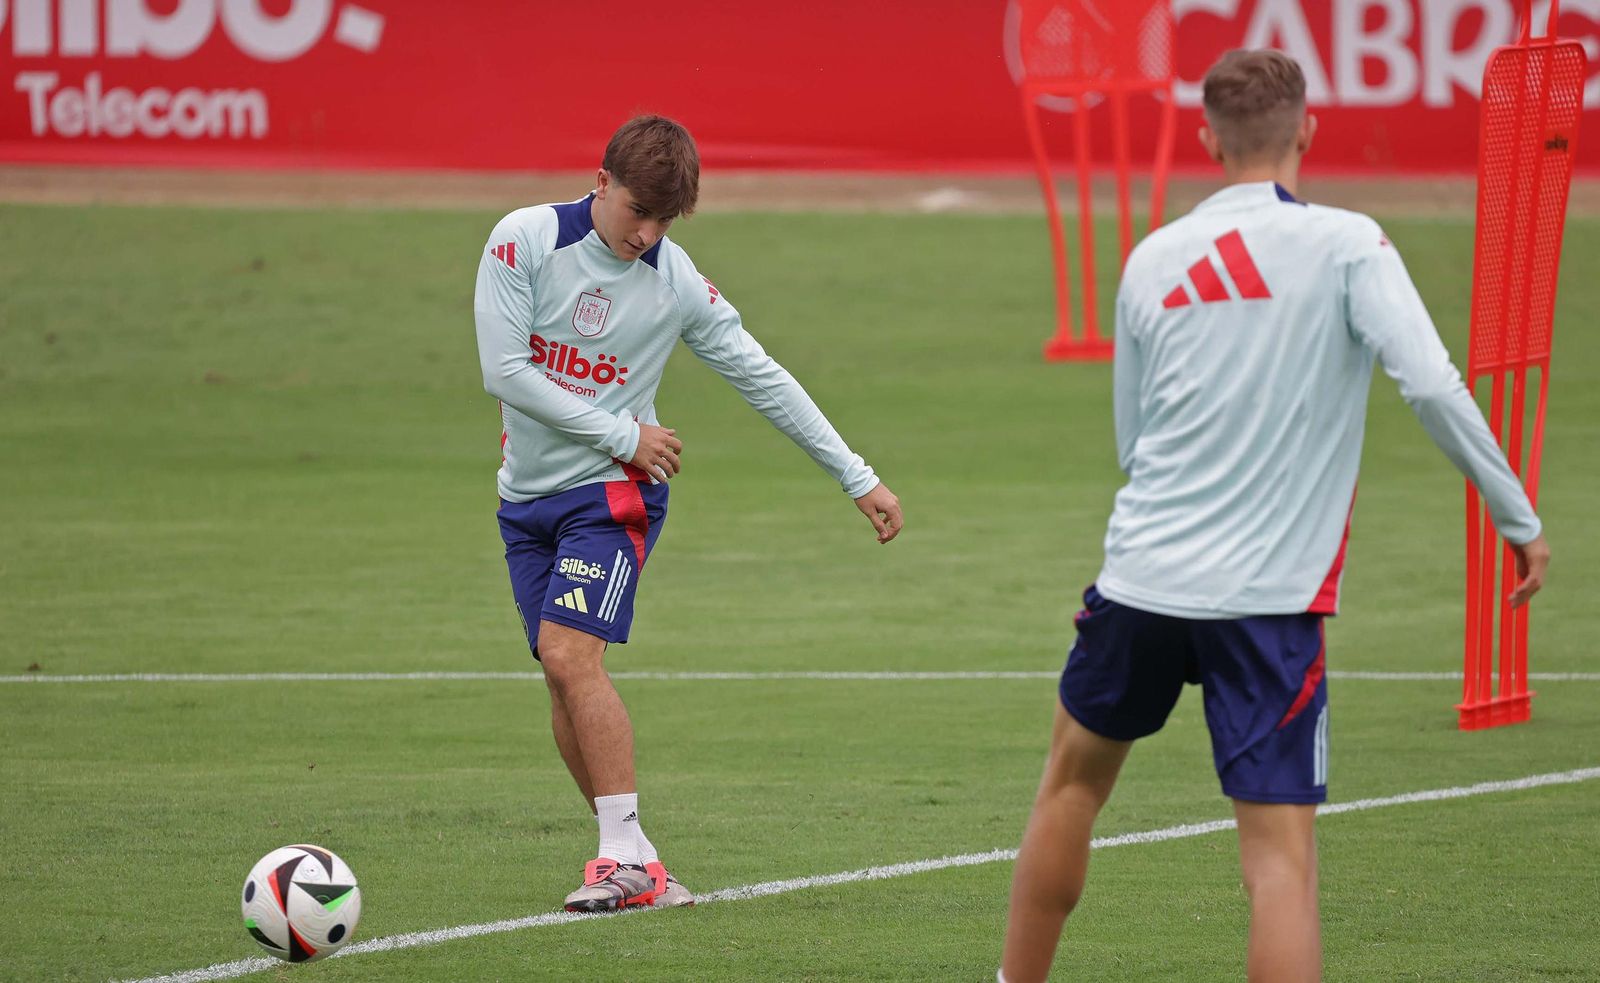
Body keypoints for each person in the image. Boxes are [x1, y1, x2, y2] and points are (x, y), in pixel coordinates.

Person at [999, 49, 1550, 983]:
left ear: (1208, 141)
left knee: (1070, 788)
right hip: (1270, 602)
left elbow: (1133, 443)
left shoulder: (1151, 257)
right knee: (1279, 861)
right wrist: (1517, 515)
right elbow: (1431, 383)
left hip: (1140, 581)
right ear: (1308, 131)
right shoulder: (1349, 243)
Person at [473, 115, 903, 913]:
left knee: (571, 658)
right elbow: (504, 370)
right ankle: (641, 863)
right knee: (563, 679)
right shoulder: (523, 242)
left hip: (613, 495)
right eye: (637, 210)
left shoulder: (674, 282)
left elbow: (762, 374)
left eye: (664, 221)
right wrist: (623, 430)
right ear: (599, 183)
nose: (647, 233)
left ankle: (618, 858)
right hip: (525, 497)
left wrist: (857, 476)